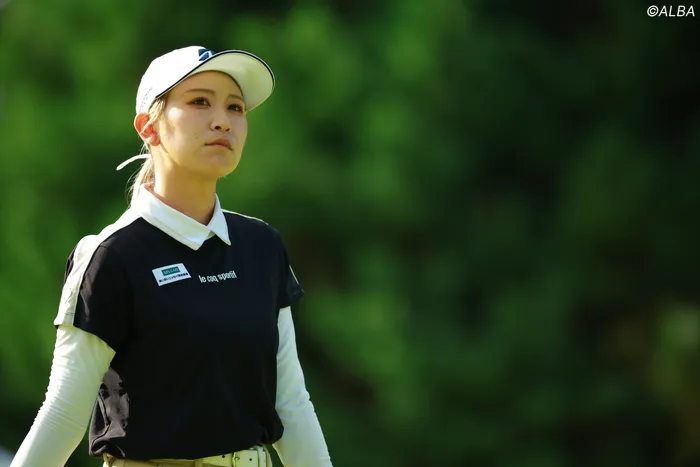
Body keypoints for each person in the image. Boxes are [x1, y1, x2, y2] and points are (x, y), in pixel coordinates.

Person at [10, 46, 333, 467]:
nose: (223, 120)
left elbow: (291, 405)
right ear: (149, 127)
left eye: (235, 107)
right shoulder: (112, 256)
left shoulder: (262, 246)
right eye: (199, 101)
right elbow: (62, 416)